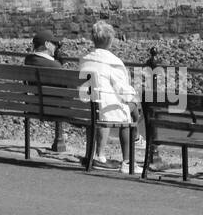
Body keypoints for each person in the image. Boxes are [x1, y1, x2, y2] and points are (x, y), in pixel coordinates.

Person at [77, 20, 138, 171]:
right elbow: (124, 90)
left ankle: (94, 155)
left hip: (85, 108)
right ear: (110, 40)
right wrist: (134, 98)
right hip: (104, 109)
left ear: (93, 39)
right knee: (131, 108)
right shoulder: (113, 62)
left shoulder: (84, 59)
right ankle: (128, 160)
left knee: (107, 108)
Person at [23, 28, 65, 152]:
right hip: (53, 109)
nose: (56, 47)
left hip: (34, 106)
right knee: (91, 119)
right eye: (55, 44)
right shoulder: (55, 66)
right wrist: (59, 62)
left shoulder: (28, 60)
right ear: (47, 44)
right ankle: (93, 158)